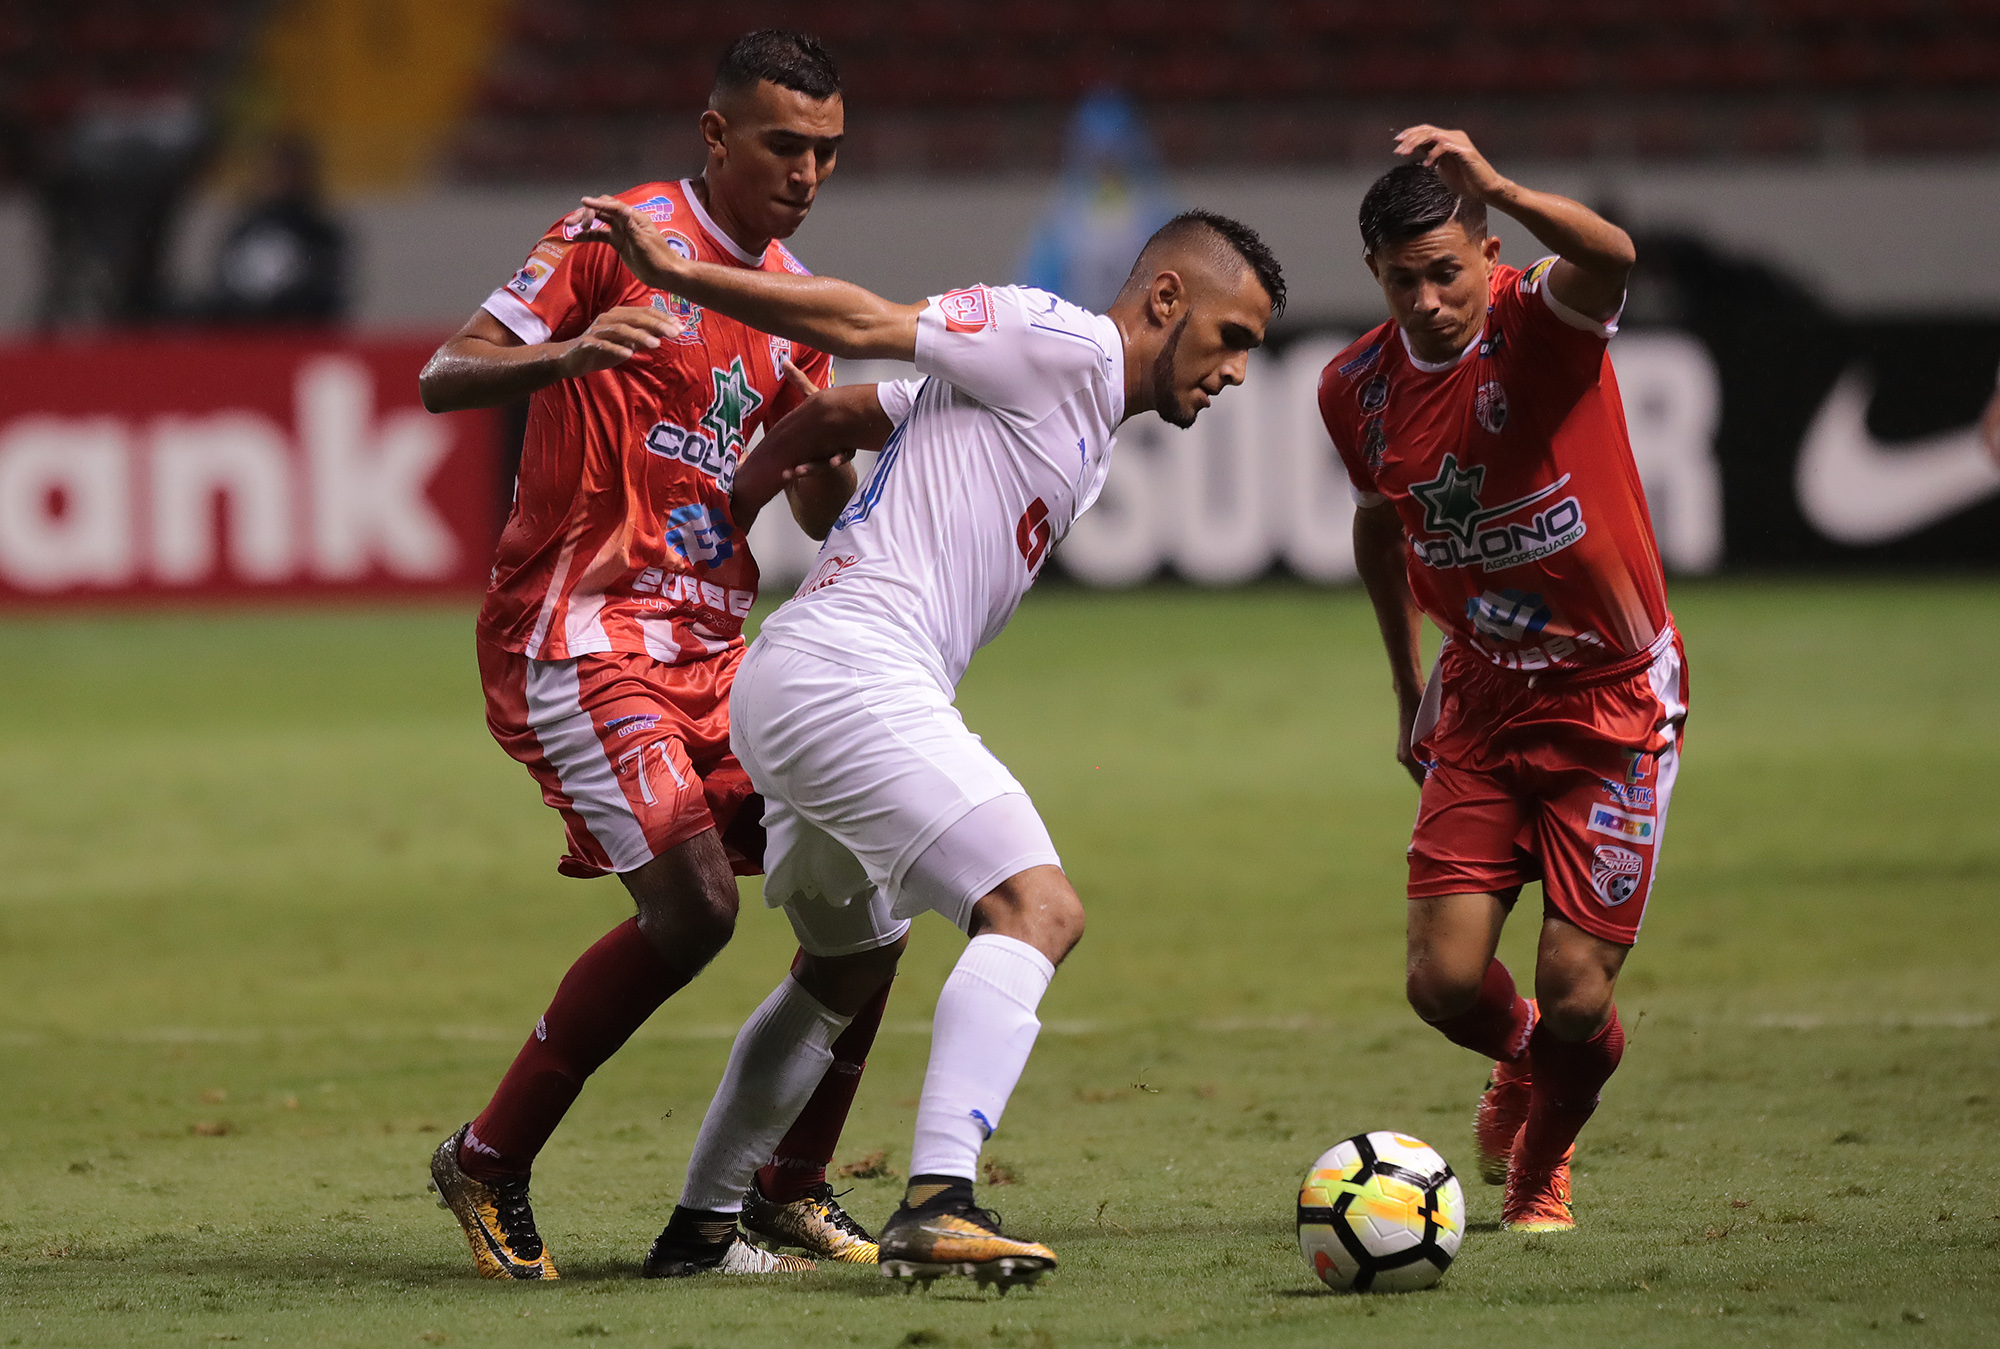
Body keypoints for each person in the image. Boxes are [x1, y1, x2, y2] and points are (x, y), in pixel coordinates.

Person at [571, 193, 1283, 1286]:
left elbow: (842, 413)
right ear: (1164, 297)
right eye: (1231, 337)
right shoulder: (1057, 340)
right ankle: (938, 1197)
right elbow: (857, 323)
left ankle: (699, 1229)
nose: (1234, 370)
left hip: (800, 676)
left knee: (846, 965)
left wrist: (749, 497)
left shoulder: (1078, 422)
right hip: (852, 674)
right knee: (1034, 908)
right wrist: (676, 278)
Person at [415, 31, 902, 1280]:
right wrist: (568, 355)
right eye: (784, 144)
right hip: (581, 629)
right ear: (715, 136)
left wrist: (829, 449)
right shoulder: (611, 234)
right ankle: (487, 1155)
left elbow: (804, 506)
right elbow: (445, 371)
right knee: (693, 905)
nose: (807, 172)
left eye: (828, 151)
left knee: (877, 881)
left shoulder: (786, 296)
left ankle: (787, 1186)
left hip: (716, 647)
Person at [1319, 127, 1687, 1234]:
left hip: (1613, 696)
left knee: (1579, 987)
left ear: (1486, 252)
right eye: (1403, 279)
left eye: (1446, 269)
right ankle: (1520, 1054)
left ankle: (1538, 1170)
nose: (1429, 297)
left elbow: (1614, 255)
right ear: (1374, 276)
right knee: (1439, 985)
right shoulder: (1355, 392)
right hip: (1480, 696)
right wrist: (1402, 686)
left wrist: (1506, 186)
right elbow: (1378, 530)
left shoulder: (1537, 320)